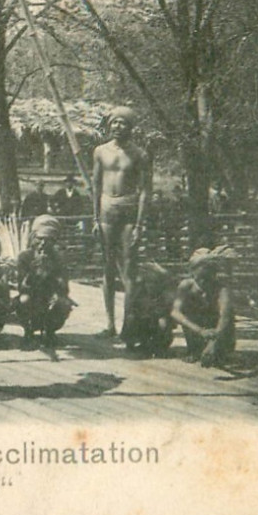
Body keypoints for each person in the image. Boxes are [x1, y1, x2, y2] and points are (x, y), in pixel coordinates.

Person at [92, 106, 150, 341]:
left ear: (131, 127)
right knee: (107, 269)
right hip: (106, 210)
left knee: (129, 270)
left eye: (123, 123)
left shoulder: (140, 154)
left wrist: (140, 224)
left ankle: (129, 324)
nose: (117, 127)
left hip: (128, 211)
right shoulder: (100, 151)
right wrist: (94, 217)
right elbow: (95, 186)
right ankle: (109, 324)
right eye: (114, 122)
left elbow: (146, 190)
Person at [14, 215, 74, 361]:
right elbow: (22, 287)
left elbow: (64, 287)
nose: (42, 243)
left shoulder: (59, 258)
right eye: (39, 239)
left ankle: (49, 331)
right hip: (32, 295)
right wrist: (33, 272)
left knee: (63, 303)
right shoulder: (25, 257)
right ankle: (28, 332)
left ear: (53, 241)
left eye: (47, 240)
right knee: (23, 300)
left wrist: (50, 273)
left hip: (49, 296)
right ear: (33, 238)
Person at [171, 247, 237, 368]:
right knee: (189, 311)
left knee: (220, 354)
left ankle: (214, 349)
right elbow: (175, 312)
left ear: (214, 273)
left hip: (218, 331)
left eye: (208, 276)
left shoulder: (221, 287)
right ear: (193, 272)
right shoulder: (186, 285)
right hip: (199, 331)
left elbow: (225, 316)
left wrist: (213, 343)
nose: (203, 281)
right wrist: (200, 331)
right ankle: (195, 349)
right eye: (200, 277)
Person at [121, 263, 174, 357]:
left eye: (154, 283)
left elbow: (166, 312)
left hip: (157, 322)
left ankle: (159, 347)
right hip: (144, 323)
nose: (151, 286)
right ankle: (135, 343)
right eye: (148, 283)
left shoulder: (164, 296)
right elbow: (133, 309)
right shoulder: (140, 294)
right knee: (131, 318)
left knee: (163, 323)